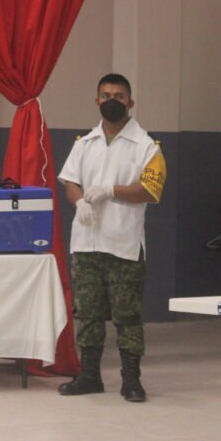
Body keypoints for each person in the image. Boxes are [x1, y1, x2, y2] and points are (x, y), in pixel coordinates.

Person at [57, 73, 166, 402]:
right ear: (96, 101)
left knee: (127, 316)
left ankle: (131, 379)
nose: (112, 101)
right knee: (88, 313)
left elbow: (151, 190)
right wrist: (79, 203)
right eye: (105, 96)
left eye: (119, 96)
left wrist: (111, 190)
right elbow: (70, 182)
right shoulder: (84, 143)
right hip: (86, 243)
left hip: (123, 245)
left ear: (130, 103)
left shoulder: (146, 146)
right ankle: (89, 375)